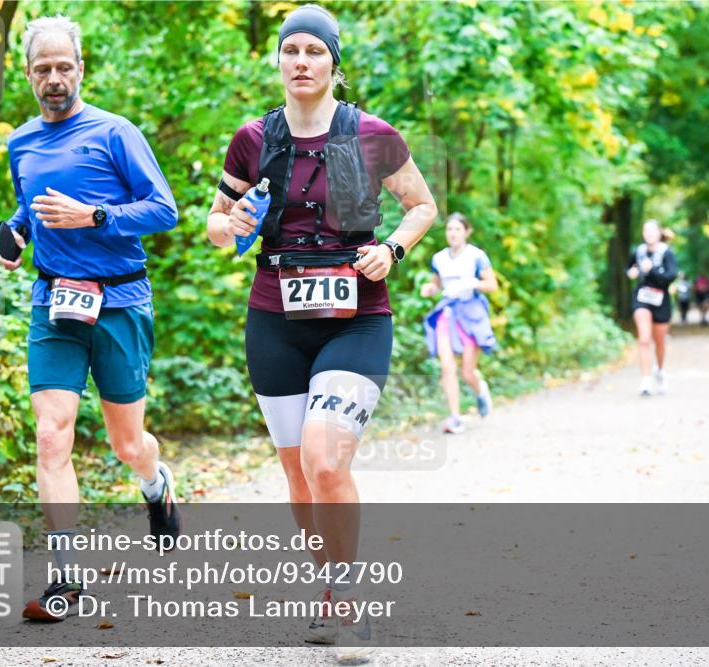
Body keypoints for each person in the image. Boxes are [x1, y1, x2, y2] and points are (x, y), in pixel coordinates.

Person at [206, 4, 436, 654]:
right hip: (274, 318)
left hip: (357, 316)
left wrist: (391, 248)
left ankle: (351, 599)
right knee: (300, 477)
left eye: (314, 51)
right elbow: (215, 224)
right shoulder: (254, 138)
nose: (301, 62)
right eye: (291, 51)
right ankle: (330, 588)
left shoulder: (372, 134)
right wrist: (233, 225)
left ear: (334, 61)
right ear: (278, 60)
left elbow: (422, 205)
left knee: (326, 459)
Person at [0, 15, 181, 622]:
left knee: (128, 444)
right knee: (52, 435)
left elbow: (163, 210)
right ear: (28, 74)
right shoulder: (20, 142)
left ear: (81, 68)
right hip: (54, 302)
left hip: (121, 301)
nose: (54, 79)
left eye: (64, 67)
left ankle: (156, 485)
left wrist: (94, 217)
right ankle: (66, 578)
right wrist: (15, 232)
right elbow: (29, 206)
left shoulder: (114, 132)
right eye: (42, 69)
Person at [420, 213, 497, 434]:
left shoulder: (477, 256)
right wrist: (430, 289)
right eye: (449, 229)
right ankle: (455, 417)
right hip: (448, 312)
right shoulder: (439, 259)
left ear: (466, 232)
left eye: (457, 229)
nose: (452, 233)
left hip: (471, 312)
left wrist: (473, 282)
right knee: (447, 367)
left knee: (467, 372)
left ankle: (480, 390)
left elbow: (492, 284)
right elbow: (436, 284)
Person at [627, 220, 678, 396]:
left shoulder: (667, 253)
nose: (648, 234)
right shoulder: (639, 251)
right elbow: (630, 268)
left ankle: (660, 370)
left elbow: (671, 276)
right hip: (642, 298)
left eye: (652, 230)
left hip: (661, 300)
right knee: (644, 339)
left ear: (659, 233)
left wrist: (653, 270)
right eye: (645, 230)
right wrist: (631, 273)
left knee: (659, 342)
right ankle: (645, 380)